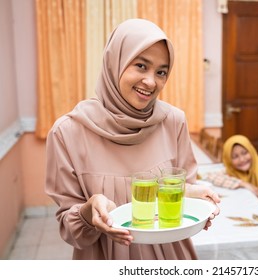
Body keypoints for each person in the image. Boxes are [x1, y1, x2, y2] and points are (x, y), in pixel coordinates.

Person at [45, 18, 220, 260]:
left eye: (161, 72)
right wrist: (89, 210)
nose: (151, 81)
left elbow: (181, 193)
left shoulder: (173, 121)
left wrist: (192, 198)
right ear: (114, 62)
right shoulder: (67, 133)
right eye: (140, 65)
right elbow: (71, 230)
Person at [204, 134, 258, 209]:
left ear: (251, 151)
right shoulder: (233, 170)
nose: (242, 159)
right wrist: (243, 184)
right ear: (228, 160)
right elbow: (209, 176)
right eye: (235, 157)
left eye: (244, 153)